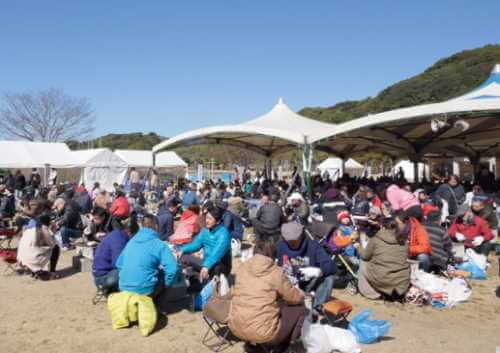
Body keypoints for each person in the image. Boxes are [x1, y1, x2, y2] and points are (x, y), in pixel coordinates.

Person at [229, 239, 305, 348]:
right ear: (273, 254)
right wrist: (301, 293)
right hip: (263, 334)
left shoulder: (242, 267)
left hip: (236, 327)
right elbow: (294, 297)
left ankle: (252, 344)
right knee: (300, 309)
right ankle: (289, 346)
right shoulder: (276, 272)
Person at [277, 222, 336, 309]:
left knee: (329, 278)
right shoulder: (280, 246)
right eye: (289, 241)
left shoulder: (313, 246)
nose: (292, 243)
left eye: (295, 240)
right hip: (289, 285)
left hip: (309, 283)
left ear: (301, 236)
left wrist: (319, 271)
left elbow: (331, 266)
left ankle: (317, 306)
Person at [116, 214, 178, 296]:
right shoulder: (159, 244)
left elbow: (119, 264)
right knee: (165, 276)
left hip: (123, 288)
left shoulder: (131, 242)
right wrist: (167, 284)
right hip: (145, 290)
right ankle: (157, 305)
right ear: (156, 226)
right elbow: (172, 269)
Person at [358, 216, 410, 300]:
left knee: (363, 263)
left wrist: (359, 248)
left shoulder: (376, 239)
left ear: (382, 227)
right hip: (401, 281)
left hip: (382, 279)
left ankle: (372, 293)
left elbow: (365, 256)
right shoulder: (403, 241)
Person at [179, 202, 231, 282]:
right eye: (206, 218)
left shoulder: (224, 234)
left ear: (217, 221)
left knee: (216, 267)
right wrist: (183, 249)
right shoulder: (205, 231)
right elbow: (196, 244)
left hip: (219, 265)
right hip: (206, 262)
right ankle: (196, 277)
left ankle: (212, 280)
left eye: (210, 219)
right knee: (183, 257)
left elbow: (217, 253)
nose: (206, 221)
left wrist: (207, 266)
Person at [93, 216, 139, 293]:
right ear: (129, 232)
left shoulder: (118, 234)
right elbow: (118, 264)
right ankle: (109, 289)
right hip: (103, 277)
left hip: (103, 273)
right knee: (132, 271)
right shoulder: (119, 239)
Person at [17, 211, 60, 280]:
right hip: (33, 259)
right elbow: (52, 245)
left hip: (22, 259)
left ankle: (34, 271)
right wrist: (53, 231)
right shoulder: (44, 229)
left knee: (36, 249)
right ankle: (52, 271)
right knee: (56, 248)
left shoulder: (30, 229)